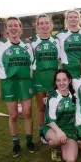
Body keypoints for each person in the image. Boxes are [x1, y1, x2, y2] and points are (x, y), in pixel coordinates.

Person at [0, 17, 35, 157]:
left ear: (20, 29)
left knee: (27, 112)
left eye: (16, 25)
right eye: (10, 26)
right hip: (9, 84)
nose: (14, 28)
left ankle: (29, 141)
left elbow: (32, 65)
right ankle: (16, 143)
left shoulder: (27, 46)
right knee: (13, 115)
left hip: (25, 82)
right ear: (7, 29)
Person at [31, 14, 60, 144]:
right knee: (41, 107)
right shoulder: (32, 42)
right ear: (37, 26)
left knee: (53, 107)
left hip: (53, 78)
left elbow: (59, 59)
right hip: (39, 78)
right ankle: (42, 132)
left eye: (46, 23)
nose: (44, 26)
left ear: (50, 24)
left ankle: (54, 130)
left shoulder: (56, 40)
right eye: (41, 23)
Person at [43, 69, 78, 162]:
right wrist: (59, 132)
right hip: (53, 128)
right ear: (55, 82)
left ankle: (64, 144)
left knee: (70, 160)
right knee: (56, 140)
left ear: (69, 80)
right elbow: (50, 121)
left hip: (69, 130)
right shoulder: (53, 97)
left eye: (64, 80)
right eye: (58, 80)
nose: (61, 83)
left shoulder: (74, 95)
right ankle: (55, 148)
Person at [56, 9, 81, 79]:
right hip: (68, 72)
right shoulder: (60, 35)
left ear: (79, 19)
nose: (73, 19)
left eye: (75, 17)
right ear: (67, 19)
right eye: (70, 17)